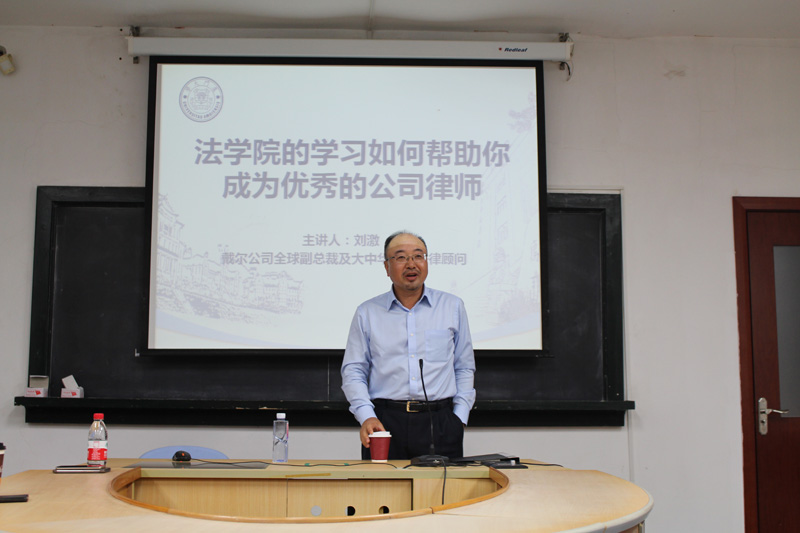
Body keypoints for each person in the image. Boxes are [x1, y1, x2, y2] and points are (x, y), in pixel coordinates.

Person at [341, 230, 476, 460]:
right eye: (401, 257)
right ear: (387, 267)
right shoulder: (367, 312)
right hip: (384, 423)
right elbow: (353, 370)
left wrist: (459, 418)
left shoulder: (452, 306)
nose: (411, 264)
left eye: (418, 256)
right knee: (382, 485)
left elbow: (464, 366)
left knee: (446, 485)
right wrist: (366, 416)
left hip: (440, 422)